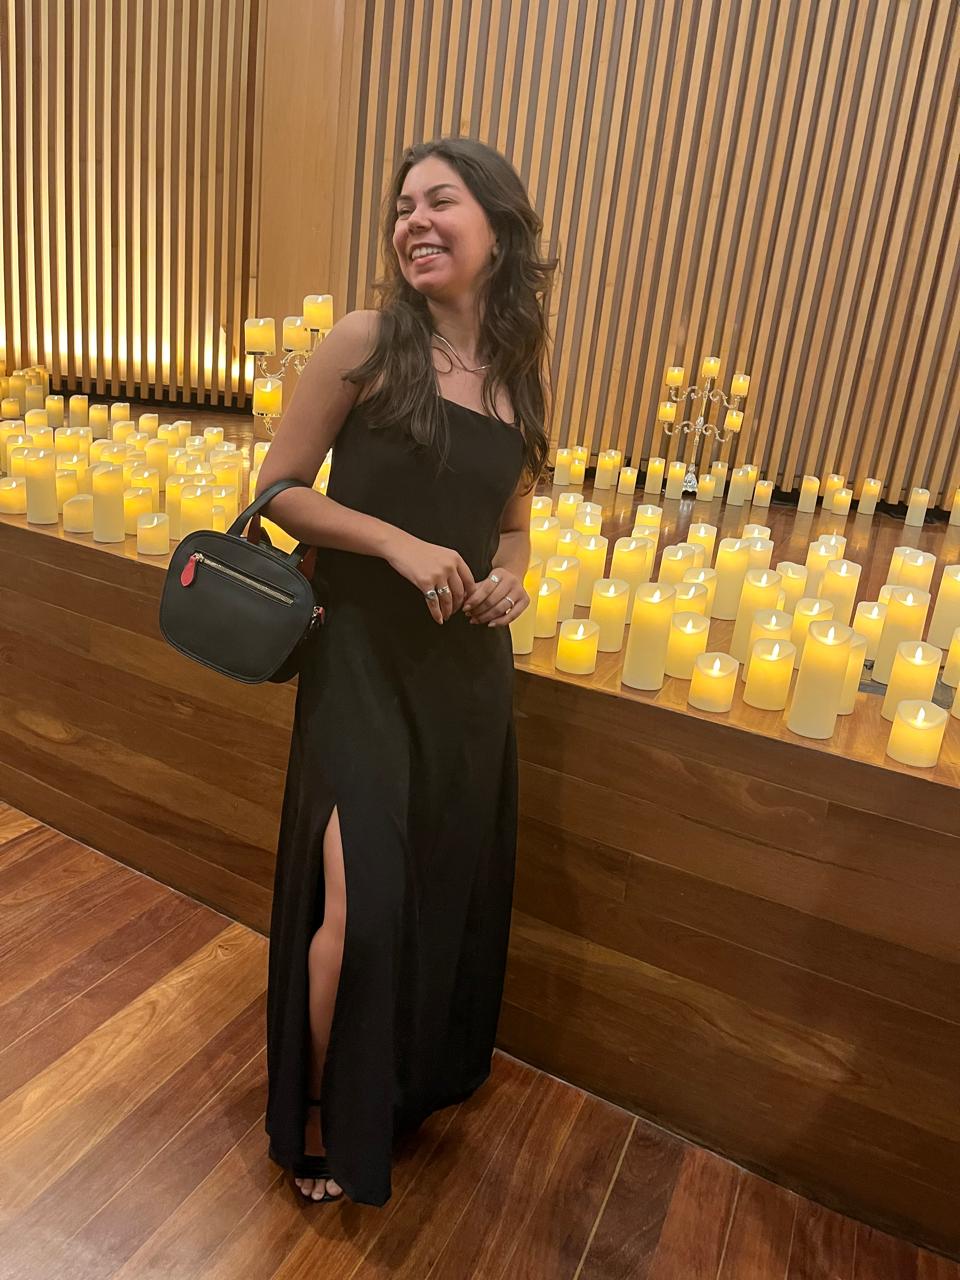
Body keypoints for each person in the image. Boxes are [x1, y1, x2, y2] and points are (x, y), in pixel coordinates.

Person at [255, 136, 557, 1205]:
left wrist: (510, 578)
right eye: (402, 208)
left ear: (499, 228)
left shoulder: (518, 378)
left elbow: (513, 526)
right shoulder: (367, 341)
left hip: (465, 678)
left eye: (441, 201)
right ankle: (320, 1118)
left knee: (435, 894)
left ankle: (401, 1083)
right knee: (365, 905)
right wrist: (394, 542)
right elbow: (279, 491)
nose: (414, 222)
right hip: (362, 660)